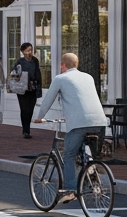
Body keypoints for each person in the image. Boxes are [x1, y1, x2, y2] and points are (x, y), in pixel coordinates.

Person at [33, 52, 107, 203]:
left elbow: (48, 100)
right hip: (100, 122)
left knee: (69, 154)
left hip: (79, 123)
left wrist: (39, 117)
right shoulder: (88, 77)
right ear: (77, 65)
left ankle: (70, 190)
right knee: (88, 154)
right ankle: (91, 177)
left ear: (63, 65)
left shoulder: (61, 78)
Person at [12, 43, 43, 138]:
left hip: (33, 87)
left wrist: (39, 87)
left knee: (30, 109)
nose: (30, 53)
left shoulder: (35, 60)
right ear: (23, 52)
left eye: (31, 50)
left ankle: (27, 128)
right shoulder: (20, 62)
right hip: (23, 88)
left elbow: (38, 73)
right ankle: (25, 130)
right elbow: (15, 74)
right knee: (24, 109)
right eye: (27, 50)